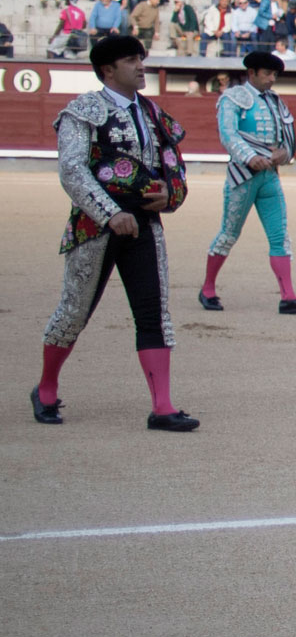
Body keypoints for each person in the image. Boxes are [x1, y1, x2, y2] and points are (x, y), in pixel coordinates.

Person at [31, 34, 199, 431]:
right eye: (131, 60)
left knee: (154, 314)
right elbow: (72, 170)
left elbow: (173, 166)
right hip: (95, 226)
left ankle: (162, 407)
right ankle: (46, 388)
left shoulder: (154, 113)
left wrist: (170, 196)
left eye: (141, 58)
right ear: (108, 70)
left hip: (143, 223)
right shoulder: (84, 110)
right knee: (74, 312)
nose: (141, 65)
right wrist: (108, 213)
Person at [199, 51, 296, 315]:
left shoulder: (275, 101)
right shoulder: (232, 97)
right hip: (243, 177)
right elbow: (227, 133)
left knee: (279, 237)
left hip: (269, 178)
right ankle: (207, 289)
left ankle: (288, 296)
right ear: (251, 73)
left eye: (274, 74)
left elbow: (287, 140)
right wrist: (250, 157)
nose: (272, 79)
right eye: (267, 74)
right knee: (228, 235)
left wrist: (282, 154)